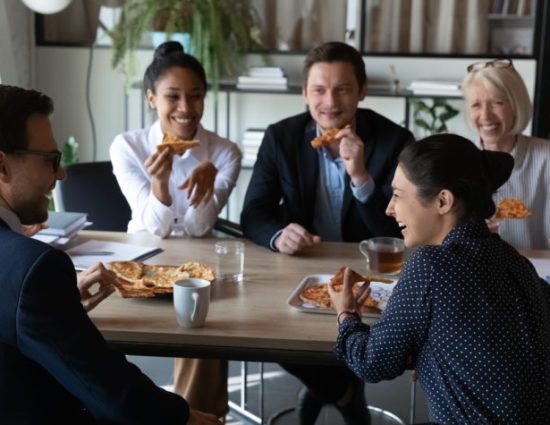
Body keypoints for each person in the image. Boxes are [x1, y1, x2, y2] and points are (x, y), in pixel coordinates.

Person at [0, 84, 221, 424]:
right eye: (50, 160)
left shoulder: (28, 282)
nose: (61, 173)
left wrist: (57, 306)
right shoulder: (33, 270)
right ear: (2, 167)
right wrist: (185, 418)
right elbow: (114, 397)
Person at [240, 41, 413, 425]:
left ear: (362, 91)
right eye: (318, 89)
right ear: (304, 93)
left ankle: (326, 388)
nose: (329, 101)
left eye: (343, 89)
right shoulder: (281, 138)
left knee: (371, 332)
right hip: (302, 266)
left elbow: (400, 231)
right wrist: (277, 234)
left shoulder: (395, 141)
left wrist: (360, 176)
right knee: (267, 330)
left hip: (370, 272)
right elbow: (252, 212)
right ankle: (342, 391)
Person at [330, 133, 550, 424]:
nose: (389, 208)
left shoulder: (431, 265)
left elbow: (371, 362)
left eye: (397, 195)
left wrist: (346, 314)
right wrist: (434, 354)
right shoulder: (514, 260)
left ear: (443, 201)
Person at [110, 41, 241, 419]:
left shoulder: (224, 151)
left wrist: (206, 186)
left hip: (197, 266)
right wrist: (161, 186)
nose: (186, 109)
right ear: (152, 98)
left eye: (196, 96)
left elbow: (200, 230)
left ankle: (195, 415)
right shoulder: (128, 147)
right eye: (173, 97)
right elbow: (154, 230)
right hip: (141, 265)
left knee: (204, 330)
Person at [462, 58, 550, 249]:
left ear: (516, 105)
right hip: (475, 272)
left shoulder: (546, 158)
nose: (485, 116)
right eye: (476, 105)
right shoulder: (457, 161)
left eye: (497, 103)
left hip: (535, 273)